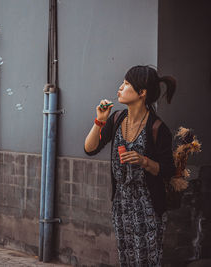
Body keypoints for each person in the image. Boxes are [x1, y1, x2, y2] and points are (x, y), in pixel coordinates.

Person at [84, 65, 177, 266]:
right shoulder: (117, 118)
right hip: (121, 204)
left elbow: (169, 170)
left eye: (126, 84)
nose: (120, 88)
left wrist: (144, 161)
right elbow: (90, 149)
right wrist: (100, 121)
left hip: (148, 206)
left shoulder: (157, 128)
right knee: (126, 259)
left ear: (141, 93)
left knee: (146, 261)